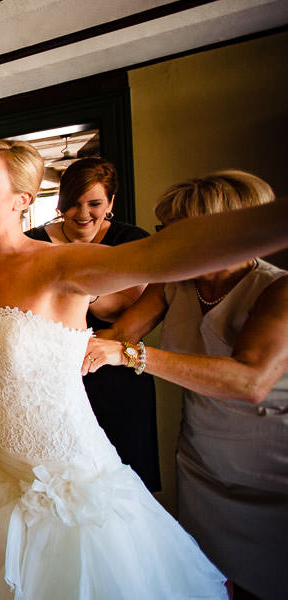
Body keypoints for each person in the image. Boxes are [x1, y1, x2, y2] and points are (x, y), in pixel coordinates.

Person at [0, 139, 287, 599]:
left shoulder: (65, 265)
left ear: (22, 199)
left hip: (64, 472)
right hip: (1, 462)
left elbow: (161, 255)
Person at [83, 170, 288, 600]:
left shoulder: (277, 289)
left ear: (225, 232)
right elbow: (118, 335)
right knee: (205, 572)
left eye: (176, 233)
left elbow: (249, 380)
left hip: (270, 465)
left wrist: (132, 356)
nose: (166, 244)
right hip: (202, 458)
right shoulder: (175, 281)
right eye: (164, 231)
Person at [25, 157, 160, 490]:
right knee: (59, 481)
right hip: (52, 377)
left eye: (94, 203)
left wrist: (80, 289)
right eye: (73, 203)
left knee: (123, 480)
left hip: (117, 375)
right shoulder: (32, 242)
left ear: (110, 203)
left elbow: (132, 310)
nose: (82, 213)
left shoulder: (131, 241)